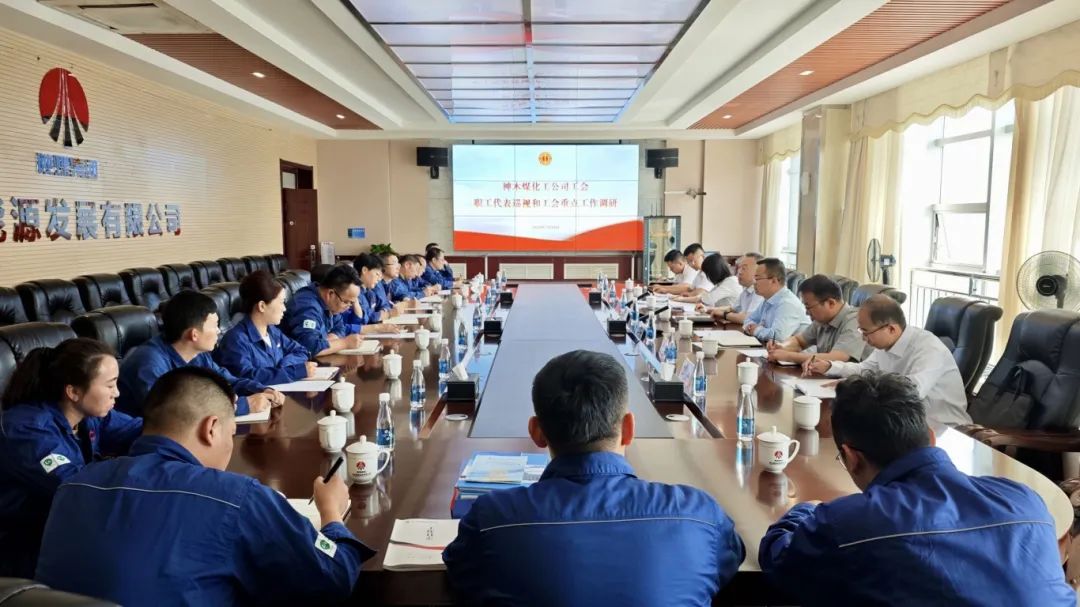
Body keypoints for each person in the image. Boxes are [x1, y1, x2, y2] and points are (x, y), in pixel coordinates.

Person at [36, 367, 375, 605]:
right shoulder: (236, 498)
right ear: (211, 428)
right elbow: (333, 577)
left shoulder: (73, 486)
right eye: (231, 434)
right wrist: (332, 514)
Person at [443, 350, 744, 605]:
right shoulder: (698, 516)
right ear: (629, 428)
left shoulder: (491, 520)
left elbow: (461, 572)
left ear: (536, 432)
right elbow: (726, 563)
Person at [758, 372, 1074, 606]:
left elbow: (780, 561)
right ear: (931, 437)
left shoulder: (849, 524)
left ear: (851, 457)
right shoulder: (1025, 501)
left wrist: (805, 510)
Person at [0, 338, 142, 577]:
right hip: (21, 544)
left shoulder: (89, 415)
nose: (117, 393)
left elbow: (141, 429)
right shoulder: (26, 429)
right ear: (73, 392)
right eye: (110, 385)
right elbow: (76, 484)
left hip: (63, 524)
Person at [805, 295, 971, 427]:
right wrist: (830, 366)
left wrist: (861, 384)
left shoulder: (929, 348)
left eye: (866, 332)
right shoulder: (885, 344)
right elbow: (864, 369)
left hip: (945, 428)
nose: (863, 339)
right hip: (905, 422)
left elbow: (911, 391)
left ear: (891, 328)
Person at [118, 290, 277, 417]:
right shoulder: (149, 363)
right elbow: (172, 415)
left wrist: (260, 389)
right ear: (194, 334)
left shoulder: (197, 352)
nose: (218, 331)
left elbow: (226, 382)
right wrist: (243, 406)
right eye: (215, 325)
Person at [214, 270, 317, 385]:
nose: (284, 308)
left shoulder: (272, 331)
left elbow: (301, 351)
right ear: (262, 306)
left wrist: (284, 367)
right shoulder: (236, 340)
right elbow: (246, 377)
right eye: (281, 302)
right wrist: (293, 372)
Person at [767, 274, 869, 367]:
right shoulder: (821, 321)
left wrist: (788, 356)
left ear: (831, 303)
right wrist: (782, 346)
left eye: (808, 307)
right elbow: (799, 341)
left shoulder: (856, 320)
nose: (807, 313)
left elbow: (836, 359)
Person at [281, 264, 365, 357]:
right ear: (330, 293)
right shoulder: (307, 307)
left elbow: (340, 327)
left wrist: (332, 338)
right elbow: (310, 347)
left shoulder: (330, 303)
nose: (348, 307)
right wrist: (344, 343)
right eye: (346, 302)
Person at [743, 257, 806, 342]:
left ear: (774, 281)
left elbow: (778, 336)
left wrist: (756, 330)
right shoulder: (768, 299)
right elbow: (748, 320)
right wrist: (756, 328)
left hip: (797, 350)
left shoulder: (787, 303)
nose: (754, 282)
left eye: (757, 279)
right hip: (772, 347)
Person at [340, 255, 398, 334]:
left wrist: (380, 314)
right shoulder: (354, 292)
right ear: (364, 270)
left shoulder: (370, 292)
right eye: (377, 274)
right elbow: (366, 318)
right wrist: (383, 315)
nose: (379, 279)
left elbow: (381, 307)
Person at [702, 252, 763, 324]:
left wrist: (724, 314)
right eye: (739, 268)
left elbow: (747, 318)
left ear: (758, 271)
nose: (739, 272)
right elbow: (732, 309)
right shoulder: (746, 290)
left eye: (744, 268)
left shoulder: (760, 291)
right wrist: (709, 309)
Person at [675, 253, 740, 307]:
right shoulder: (722, 282)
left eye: (707, 273)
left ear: (714, 272)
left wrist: (682, 299)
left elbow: (708, 299)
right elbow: (705, 296)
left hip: (729, 317)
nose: (708, 277)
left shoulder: (731, 282)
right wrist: (683, 299)